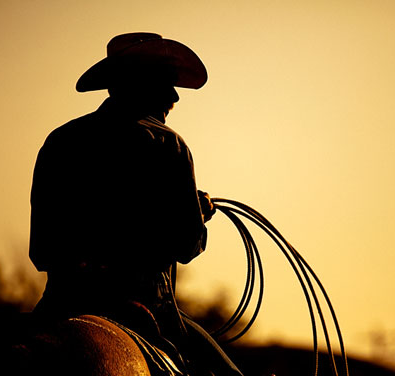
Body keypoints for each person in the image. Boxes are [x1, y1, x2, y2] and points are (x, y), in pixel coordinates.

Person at [28, 32, 242, 376]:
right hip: (141, 305)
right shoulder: (166, 142)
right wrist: (198, 214)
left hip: (58, 302)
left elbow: (42, 249)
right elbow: (185, 244)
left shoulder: (59, 139)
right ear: (143, 84)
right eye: (166, 83)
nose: (174, 96)